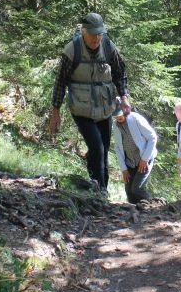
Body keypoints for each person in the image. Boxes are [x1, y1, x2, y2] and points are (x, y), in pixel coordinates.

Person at [50, 13, 131, 192]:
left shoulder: (109, 47)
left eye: (99, 34)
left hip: (104, 108)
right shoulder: (72, 50)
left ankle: (102, 190)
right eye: (93, 34)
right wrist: (55, 111)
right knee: (96, 147)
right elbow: (60, 82)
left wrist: (124, 97)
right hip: (81, 109)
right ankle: (98, 188)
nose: (96, 38)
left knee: (104, 149)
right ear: (83, 31)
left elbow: (120, 73)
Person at [112, 105, 158, 204]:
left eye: (120, 115)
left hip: (144, 159)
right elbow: (118, 148)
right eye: (115, 117)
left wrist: (145, 159)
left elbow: (152, 137)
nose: (118, 118)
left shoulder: (136, 119)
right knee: (129, 191)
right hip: (130, 162)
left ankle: (153, 206)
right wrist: (124, 169)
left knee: (137, 188)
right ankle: (135, 213)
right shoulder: (115, 126)